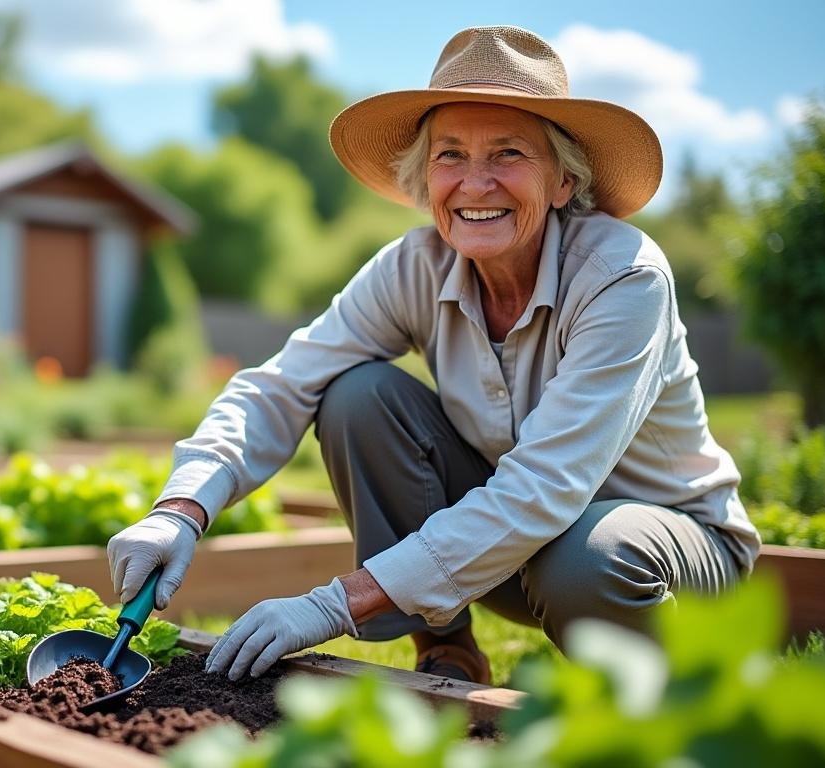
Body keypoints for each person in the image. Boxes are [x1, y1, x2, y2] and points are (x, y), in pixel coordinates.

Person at [106, 25, 760, 685]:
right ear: (425, 177)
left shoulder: (622, 275)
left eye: (508, 153)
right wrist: (179, 510)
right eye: (450, 155)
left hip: (661, 553)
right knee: (356, 396)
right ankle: (444, 648)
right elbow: (281, 385)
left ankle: (654, 695)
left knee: (587, 556)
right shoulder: (413, 267)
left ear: (564, 181)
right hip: (518, 556)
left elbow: (545, 487)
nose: (475, 184)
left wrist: (335, 604)